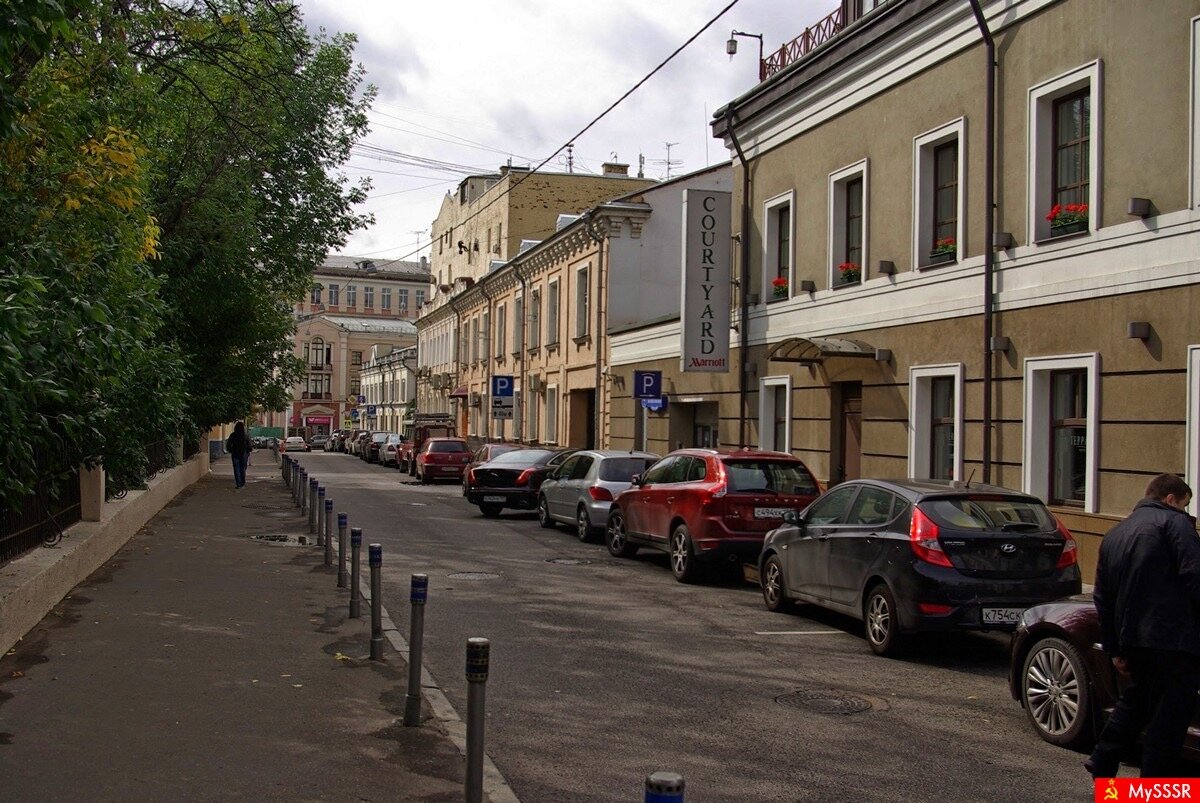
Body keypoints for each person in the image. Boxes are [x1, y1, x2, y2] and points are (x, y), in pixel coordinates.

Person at [1087, 473, 1199, 778]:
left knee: (1136, 701)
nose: (1186, 512)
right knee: (1170, 716)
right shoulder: (1175, 524)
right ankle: (1154, 785)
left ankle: (1102, 760)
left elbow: (1102, 597)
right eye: (1185, 505)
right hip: (1174, 638)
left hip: (1133, 640)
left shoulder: (1114, 534)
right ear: (1171, 499)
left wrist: (1114, 648)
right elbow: (1194, 575)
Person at [225, 422, 253, 489]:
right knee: (242, 468)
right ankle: (242, 483)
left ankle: (238, 483)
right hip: (244, 454)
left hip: (235, 454)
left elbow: (228, 445)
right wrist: (248, 451)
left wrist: (231, 450)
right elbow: (250, 446)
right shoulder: (246, 436)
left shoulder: (233, 435)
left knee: (236, 469)